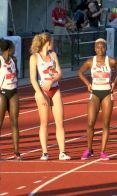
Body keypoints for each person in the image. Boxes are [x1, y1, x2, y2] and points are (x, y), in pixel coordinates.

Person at [29, 32, 71, 161]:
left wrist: (52, 81)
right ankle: (45, 152)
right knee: (44, 122)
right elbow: (32, 79)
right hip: (42, 91)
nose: (53, 43)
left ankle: (62, 152)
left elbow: (59, 73)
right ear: (47, 42)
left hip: (55, 89)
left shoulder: (53, 55)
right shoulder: (35, 58)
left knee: (60, 122)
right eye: (52, 41)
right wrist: (40, 94)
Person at [78, 38, 117, 160]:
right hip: (95, 93)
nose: (100, 49)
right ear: (94, 48)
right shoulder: (90, 62)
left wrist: (114, 82)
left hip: (107, 93)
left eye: (102, 47)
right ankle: (89, 149)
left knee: (106, 123)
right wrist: (87, 84)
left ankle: (103, 151)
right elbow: (80, 72)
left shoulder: (111, 61)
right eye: (97, 47)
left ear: (106, 48)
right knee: (91, 123)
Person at [0, 39, 21, 160]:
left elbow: (16, 73)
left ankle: (17, 152)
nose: (14, 50)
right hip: (2, 93)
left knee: (15, 122)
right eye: (13, 48)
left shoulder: (14, 60)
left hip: (14, 92)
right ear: (8, 50)